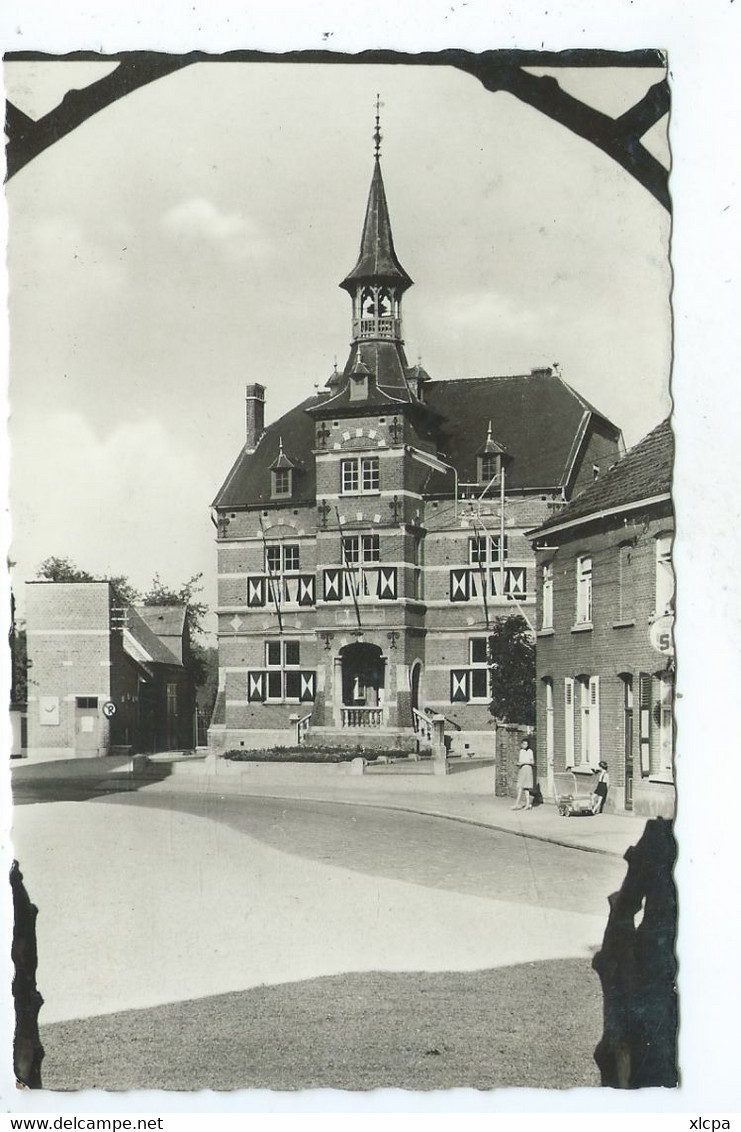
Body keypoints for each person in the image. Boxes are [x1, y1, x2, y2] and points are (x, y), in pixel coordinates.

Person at [512, 738, 535, 810]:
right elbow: (520, 761)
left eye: (526, 744)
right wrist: (518, 764)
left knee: (524, 787)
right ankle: (526, 804)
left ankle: (518, 804)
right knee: (521, 787)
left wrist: (524, 763)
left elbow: (532, 762)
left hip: (527, 769)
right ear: (521, 744)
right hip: (522, 769)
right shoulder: (521, 751)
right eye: (524, 744)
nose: (525, 745)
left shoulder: (530, 751)